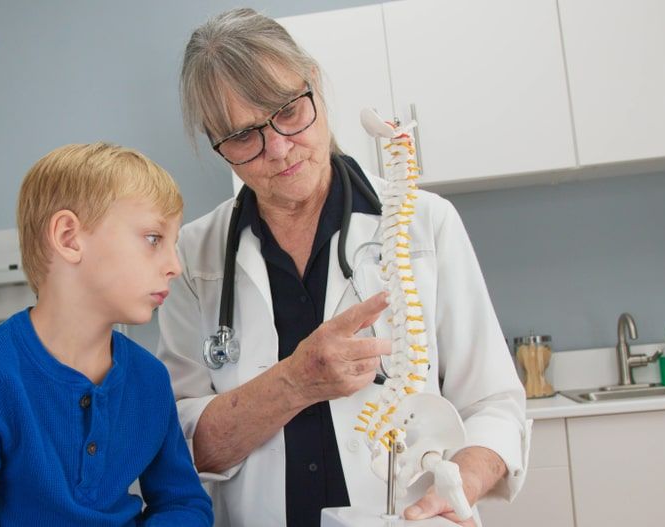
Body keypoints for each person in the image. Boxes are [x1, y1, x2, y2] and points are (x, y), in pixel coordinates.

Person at [156, 8, 530, 527]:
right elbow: (184, 446)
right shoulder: (192, 257)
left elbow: (493, 404)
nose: (278, 148)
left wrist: (458, 487)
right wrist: (294, 382)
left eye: (289, 111)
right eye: (243, 136)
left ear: (314, 84)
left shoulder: (424, 223)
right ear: (216, 144)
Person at [0, 143, 214, 526]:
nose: (175, 266)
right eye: (153, 238)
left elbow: (185, 504)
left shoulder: (150, 379)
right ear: (69, 238)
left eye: (173, 245)